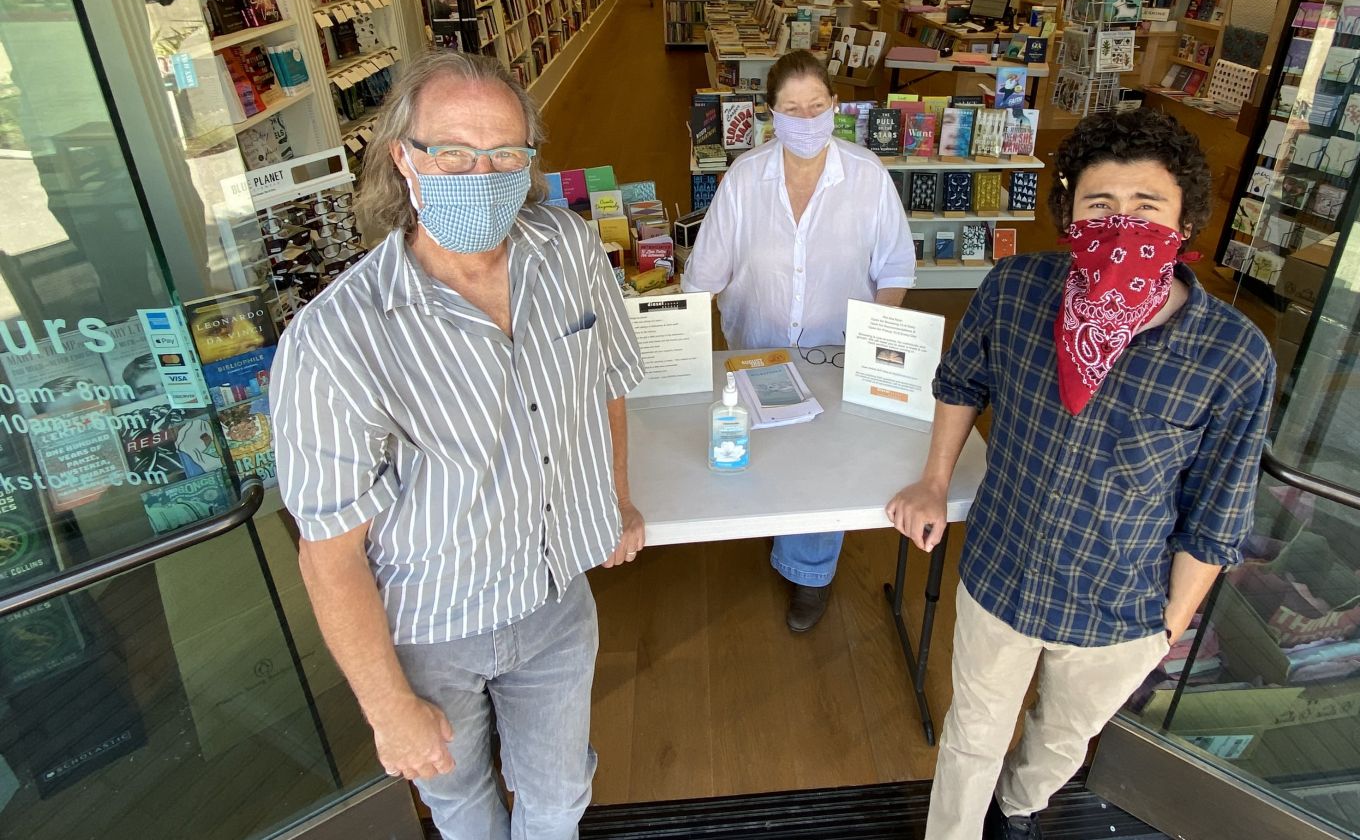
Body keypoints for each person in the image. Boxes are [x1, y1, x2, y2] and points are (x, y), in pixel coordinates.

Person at [272, 51, 645, 840]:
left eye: (506, 154)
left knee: (558, 795)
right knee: (461, 804)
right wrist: (388, 708)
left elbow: (607, 379)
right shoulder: (335, 340)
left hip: (555, 597)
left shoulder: (569, 248)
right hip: (432, 627)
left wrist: (615, 498)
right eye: (453, 154)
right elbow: (329, 555)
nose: (484, 174)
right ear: (403, 159)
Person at [886, 108, 1274, 840]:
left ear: (1185, 221)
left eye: (1146, 206)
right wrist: (934, 481)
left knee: (1062, 740)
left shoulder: (1233, 354)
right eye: (1100, 205)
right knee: (972, 734)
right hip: (1003, 571)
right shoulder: (1015, 288)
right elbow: (962, 381)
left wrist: (1168, 626)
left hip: (1121, 607)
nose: (1122, 224)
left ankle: (1019, 809)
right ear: (1069, 215)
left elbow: (1219, 511)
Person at [684, 49, 916, 632]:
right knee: (769, 453)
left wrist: (876, 335)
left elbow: (895, 267)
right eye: (792, 108)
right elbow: (703, 276)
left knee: (823, 463)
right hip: (756, 345)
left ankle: (810, 572)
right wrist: (674, 345)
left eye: (817, 106)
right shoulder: (744, 179)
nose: (807, 119)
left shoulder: (867, 175)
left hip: (837, 348)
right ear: (771, 114)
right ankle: (775, 523)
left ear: (835, 105)